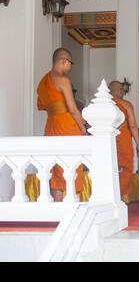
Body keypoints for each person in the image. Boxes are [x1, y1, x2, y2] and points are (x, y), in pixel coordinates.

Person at [37, 48, 86, 202]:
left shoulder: (43, 81)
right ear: (63, 61)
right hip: (66, 126)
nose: (70, 67)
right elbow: (72, 108)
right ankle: (72, 203)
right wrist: (83, 127)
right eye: (70, 63)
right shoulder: (63, 80)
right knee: (72, 164)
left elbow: (42, 105)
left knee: (56, 166)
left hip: (51, 125)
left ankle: (57, 205)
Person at [108, 81, 139, 199]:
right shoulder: (126, 104)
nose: (123, 92)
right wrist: (138, 144)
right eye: (121, 89)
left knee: (109, 167)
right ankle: (119, 198)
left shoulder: (104, 105)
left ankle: (111, 197)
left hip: (107, 139)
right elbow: (132, 125)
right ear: (116, 91)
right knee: (123, 168)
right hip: (122, 138)